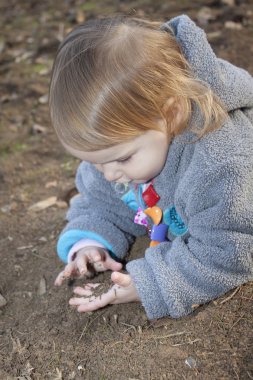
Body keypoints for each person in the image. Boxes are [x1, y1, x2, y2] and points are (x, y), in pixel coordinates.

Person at [49, 15, 253, 319]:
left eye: (121, 159)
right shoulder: (123, 149)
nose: (108, 174)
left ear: (171, 113)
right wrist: (89, 244)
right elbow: (102, 199)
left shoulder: (220, 166)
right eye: (95, 161)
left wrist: (151, 283)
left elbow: (230, 250)